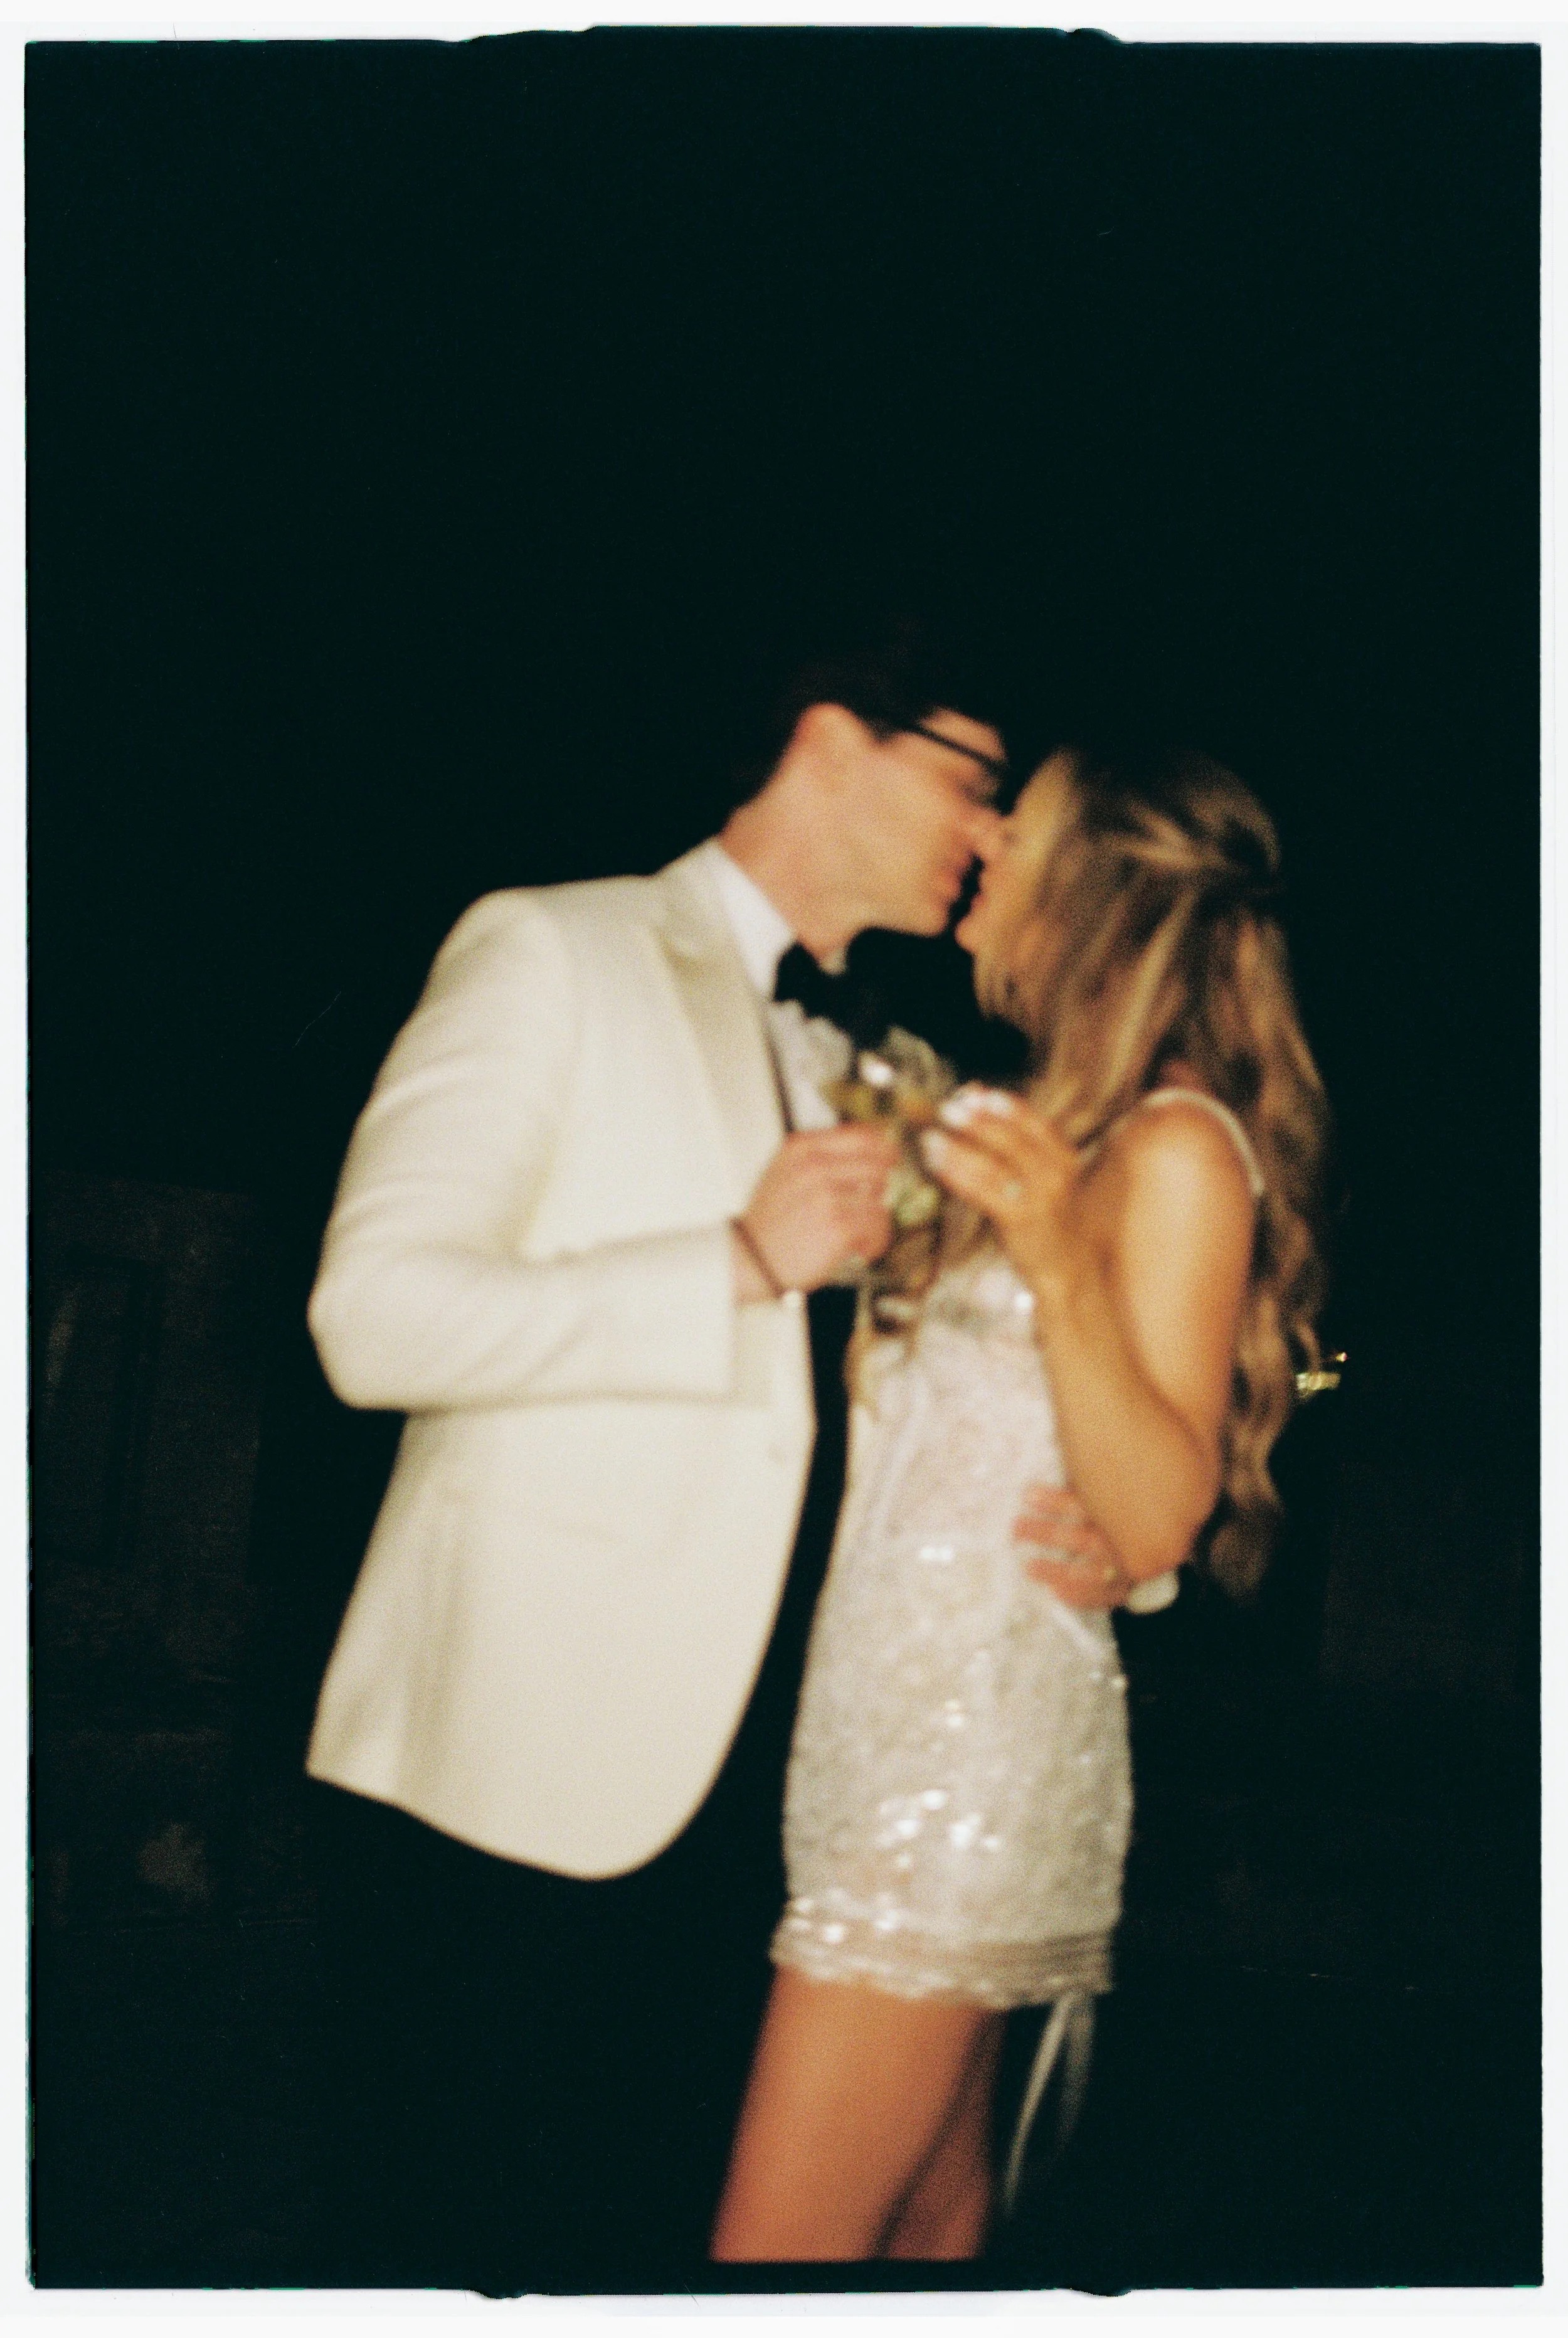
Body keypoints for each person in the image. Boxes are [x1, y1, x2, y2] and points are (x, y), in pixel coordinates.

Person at [301, 625, 1078, 2287]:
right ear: (828, 741)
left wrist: (1090, 1540)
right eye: (972, 780)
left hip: (777, 1801)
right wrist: (727, 1261)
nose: (992, 831)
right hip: (515, 1780)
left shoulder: (886, 1066)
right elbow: (371, 1319)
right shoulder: (551, 948)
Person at [710, 741, 1330, 2263]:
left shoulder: (1174, 1149)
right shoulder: (1037, 1122)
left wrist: (1053, 1258)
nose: (985, 842)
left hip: (954, 1773)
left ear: (1098, 890)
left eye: (1022, 827)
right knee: (930, 2237)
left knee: (769, 2264)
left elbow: (1160, 1515)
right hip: (879, 1739)